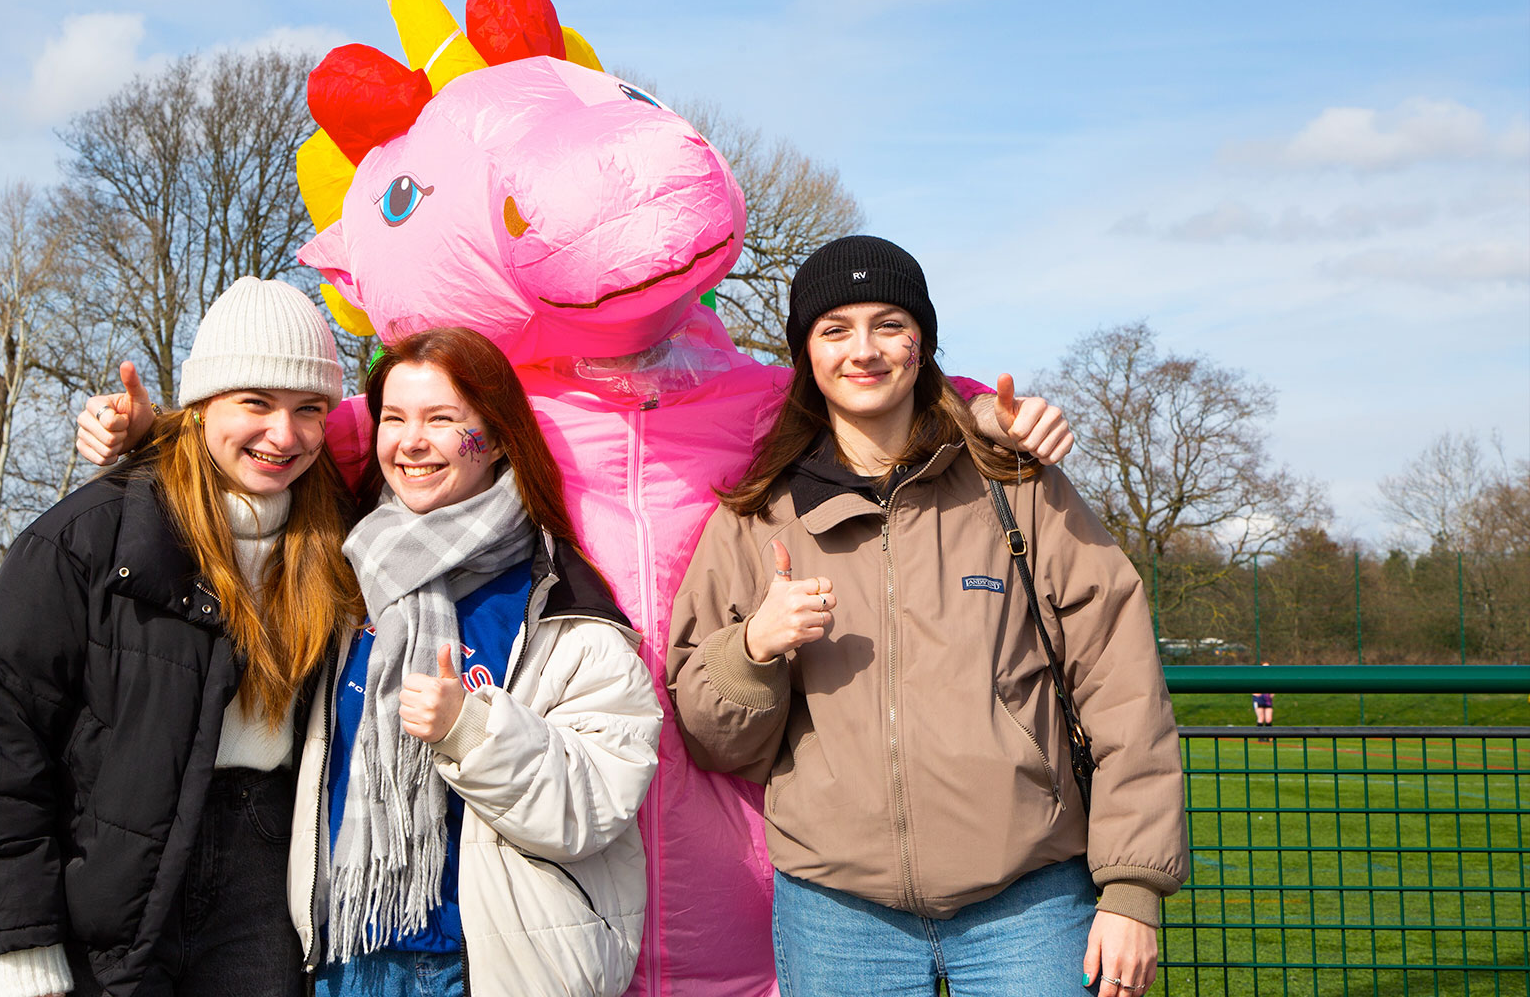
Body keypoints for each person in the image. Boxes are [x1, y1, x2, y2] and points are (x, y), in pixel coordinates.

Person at [666, 236, 1187, 997]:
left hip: (1031, 902)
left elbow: (1123, 688)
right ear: (805, 354)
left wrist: (1133, 890)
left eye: (889, 324)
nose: (865, 350)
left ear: (924, 343)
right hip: (836, 916)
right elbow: (711, 737)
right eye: (835, 329)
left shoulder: (1018, 487)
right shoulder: (756, 519)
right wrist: (753, 649)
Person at [0, 279, 362, 997]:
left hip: (270, 866)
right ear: (200, 409)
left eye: (309, 409)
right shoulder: (91, 535)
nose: (284, 435)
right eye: (255, 403)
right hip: (114, 867)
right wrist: (23, 938)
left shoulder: (341, 541)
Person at [292, 327, 660, 997]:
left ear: (492, 437)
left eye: (441, 419)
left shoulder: (561, 600)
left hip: (482, 963)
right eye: (394, 418)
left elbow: (598, 799)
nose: (411, 441)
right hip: (343, 951)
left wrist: (472, 729)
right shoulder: (343, 571)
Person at [1253, 662, 1274, 731]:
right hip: (1259, 699)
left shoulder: (1270, 677)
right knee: (1261, 718)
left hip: (1267, 700)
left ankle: (1269, 735)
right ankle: (1260, 736)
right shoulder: (1257, 676)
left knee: (1268, 719)